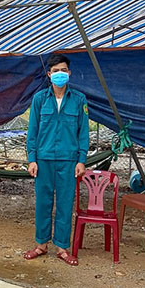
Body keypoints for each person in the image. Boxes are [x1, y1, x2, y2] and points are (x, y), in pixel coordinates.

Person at [24, 54, 89, 266]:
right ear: (49, 74)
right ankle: (41, 245)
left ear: (69, 74)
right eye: (55, 71)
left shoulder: (79, 100)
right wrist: (31, 159)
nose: (59, 74)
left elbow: (83, 133)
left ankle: (62, 248)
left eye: (63, 70)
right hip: (43, 160)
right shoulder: (39, 99)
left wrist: (81, 160)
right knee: (43, 204)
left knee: (64, 204)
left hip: (68, 162)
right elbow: (32, 131)